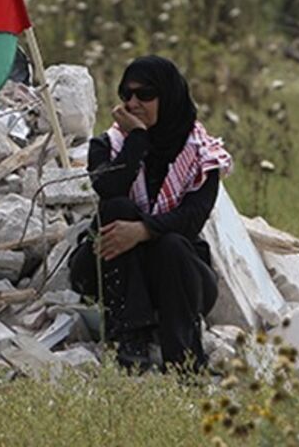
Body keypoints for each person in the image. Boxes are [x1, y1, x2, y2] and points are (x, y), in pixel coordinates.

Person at [69, 55, 233, 373]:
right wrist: (138, 140)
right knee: (117, 208)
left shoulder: (203, 154)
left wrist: (142, 231)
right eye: (126, 94)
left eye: (145, 94)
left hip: (177, 275)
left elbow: (192, 219)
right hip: (110, 268)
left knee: (172, 243)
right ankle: (129, 340)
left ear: (168, 97)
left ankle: (183, 361)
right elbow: (109, 187)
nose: (133, 103)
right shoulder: (108, 145)